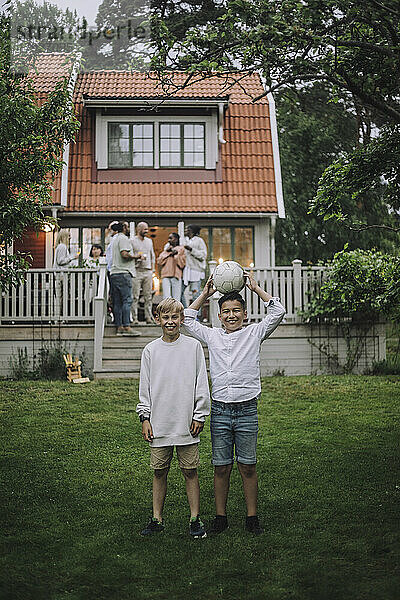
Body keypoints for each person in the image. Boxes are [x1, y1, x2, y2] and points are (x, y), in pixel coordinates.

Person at [182, 272, 285, 535]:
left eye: (236, 311)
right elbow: (186, 319)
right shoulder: (213, 336)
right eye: (226, 311)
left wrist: (256, 288)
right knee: (221, 466)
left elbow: (278, 311)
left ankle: (252, 518)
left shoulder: (254, 333)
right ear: (219, 315)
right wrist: (205, 294)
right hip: (220, 411)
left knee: (248, 465)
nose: (231, 316)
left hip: (247, 409)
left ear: (245, 313)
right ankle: (221, 517)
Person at [136, 297, 210, 538]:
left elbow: (201, 383)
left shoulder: (193, 347)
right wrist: (145, 418)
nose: (170, 322)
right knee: (159, 472)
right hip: (159, 423)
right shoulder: (150, 350)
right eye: (165, 317)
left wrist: (199, 414)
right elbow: (144, 388)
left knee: (190, 471)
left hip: (187, 423)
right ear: (158, 319)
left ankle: (195, 519)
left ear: (181, 320)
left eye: (175, 317)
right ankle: (157, 519)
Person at [110, 222, 141, 337]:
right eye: (127, 226)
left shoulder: (115, 239)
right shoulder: (123, 238)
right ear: (123, 228)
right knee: (127, 300)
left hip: (114, 273)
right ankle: (127, 326)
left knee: (117, 302)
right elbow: (124, 254)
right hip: (123, 273)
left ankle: (119, 328)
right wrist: (137, 257)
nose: (128, 229)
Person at [131, 222, 156, 324]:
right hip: (136, 271)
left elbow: (152, 256)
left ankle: (148, 317)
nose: (146, 231)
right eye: (144, 229)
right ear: (138, 229)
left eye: (147, 229)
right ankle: (134, 318)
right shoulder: (132, 241)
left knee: (148, 296)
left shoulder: (149, 241)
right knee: (135, 296)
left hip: (148, 271)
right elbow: (129, 255)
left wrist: (152, 269)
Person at [181, 225, 207, 308]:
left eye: (187, 229)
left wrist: (191, 250)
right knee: (180, 292)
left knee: (195, 294)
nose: (185, 231)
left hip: (196, 271)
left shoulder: (199, 241)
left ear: (192, 231)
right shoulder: (183, 241)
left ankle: (196, 315)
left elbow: (203, 255)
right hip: (185, 271)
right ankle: (185, 311)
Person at [157, 232, 186, 300]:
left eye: (171, 238)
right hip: (166, 276)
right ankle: (167, 311)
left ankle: (176, 311)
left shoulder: (181, 249)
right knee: (166, 298)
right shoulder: (166, 250)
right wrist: (167, 252)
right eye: (168, 238)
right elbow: (159, 262)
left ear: (176, 239)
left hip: (176, 276)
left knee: (176, 298)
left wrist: (176, 255)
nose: (168, 240)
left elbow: (182, 264)